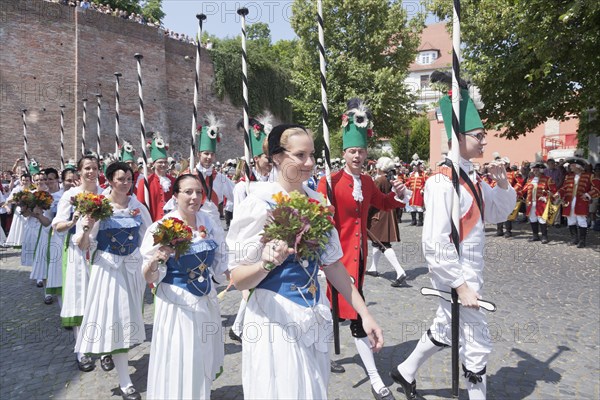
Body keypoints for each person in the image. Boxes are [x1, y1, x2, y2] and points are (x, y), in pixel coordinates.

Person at [227, 124, 384, 399]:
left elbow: (334, 265)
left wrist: (364, 314)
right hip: (274, 318)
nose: (309, 162)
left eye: (312, 154)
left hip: (313, 314)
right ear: (277, 157)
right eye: (300, 155)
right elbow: (237, 277)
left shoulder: (318, 201)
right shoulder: (258, 203)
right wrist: (265, 264)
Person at [391, 88, 516, 400]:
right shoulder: (442, 182)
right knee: (477, 341)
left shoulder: (470, 178)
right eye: (479, 135)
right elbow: (434, 243)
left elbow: (499, 211)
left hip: (470, 272)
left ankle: (405, 371)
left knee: (447, 327)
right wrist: (459, 285)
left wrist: (502, 185)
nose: (485, 141)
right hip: (455, 275)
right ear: (458, 137)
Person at [317, 99, 409, 400]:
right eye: (352, 151)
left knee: (348, 315)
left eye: (361, 151)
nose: (357, 155)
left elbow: (382, 204)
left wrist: (397, 197)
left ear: (367, 153)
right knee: (334, 315)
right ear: (343, 153)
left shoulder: (368, 182)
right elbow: (317, 222)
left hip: (357, 262)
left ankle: (365, 373)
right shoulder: (328, 182)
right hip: (332, 262)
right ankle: (375, 380)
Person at [140, 174, 227, 399]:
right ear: (176, 195)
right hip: (177, 301)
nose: (194, 197)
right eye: (188, 192)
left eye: (198, 192)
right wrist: (157, 258)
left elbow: (221, 262)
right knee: (183, 355)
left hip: (205, 297)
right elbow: (148, 274)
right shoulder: (162, 227)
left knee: (204, 353)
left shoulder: (208, 222)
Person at [73, 162, 150, 400]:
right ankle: (125, 381)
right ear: (109, 181)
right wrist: (87, 228)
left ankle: (109, 351)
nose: (126, 183)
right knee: (116, 319)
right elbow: (83, 244)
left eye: (129, 179)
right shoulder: (99, 206)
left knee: (125, 318)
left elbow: (149, 237)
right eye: (121, 179)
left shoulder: (137, 206)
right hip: (107, 269)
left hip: (131, 270)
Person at [52, 155, 103, 372]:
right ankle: (82, 350)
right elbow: (57, 225)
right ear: (80, 172)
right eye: (87, 168)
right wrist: (73, 220)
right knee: (80, 297)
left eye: (95, 168)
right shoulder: (71, 195)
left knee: (101, 299)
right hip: (77, 251)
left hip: (101, 252)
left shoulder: (105, 194)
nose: (91, 172)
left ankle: (103, 347)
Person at [365, 156, 408, 288]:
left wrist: (365, 214)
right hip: (388, 213)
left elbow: (373, 201)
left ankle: (400, 271)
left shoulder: (379, 180)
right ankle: (373, 268)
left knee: (383, 244)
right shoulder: (391, 179)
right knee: (377, 242)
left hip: (379, 215)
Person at [556, 158, 599, 248]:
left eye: (572, 166)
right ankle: (574, 239)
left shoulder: (589, 176)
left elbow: (597, 187)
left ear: (577, 166)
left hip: (581, 202)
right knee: (570, 220)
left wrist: (588, 194)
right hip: (569, 201)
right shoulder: (569, 176)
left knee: (581, 220)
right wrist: (558, 193)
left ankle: (582, 241)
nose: (570, 167)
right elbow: (564, 188)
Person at [136, 133, 175, 221]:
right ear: (154, 164)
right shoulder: (145, 182)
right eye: (160, 162)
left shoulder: (174, 181)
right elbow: (140, 205)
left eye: (165, 162)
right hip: (152, 221)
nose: (163, 164)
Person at [520, 162, 557, 243]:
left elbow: (553, 191)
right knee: (533, 219)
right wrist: (517, 194)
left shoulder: (548, 179)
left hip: (541, 203)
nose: (535, 172)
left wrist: (546, 197)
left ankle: (544, 236)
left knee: (542, 219)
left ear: (541, 170)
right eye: (534, 170)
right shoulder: (530, 180)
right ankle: (535, 235)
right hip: (531, 203)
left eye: (537, 170)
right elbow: (524, 190)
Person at [404, 156, 426, 226]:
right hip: (412, 192)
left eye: (416, 166)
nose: (415, 167)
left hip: (419, 193)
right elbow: (409, 182)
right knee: (412, 207)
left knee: (419, 207)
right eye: (414, 166)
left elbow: (427, 183)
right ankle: (413, 221)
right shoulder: (412, 174)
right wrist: (404, 185)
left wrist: (423, 189)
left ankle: (420, 221)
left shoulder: (423, 174)